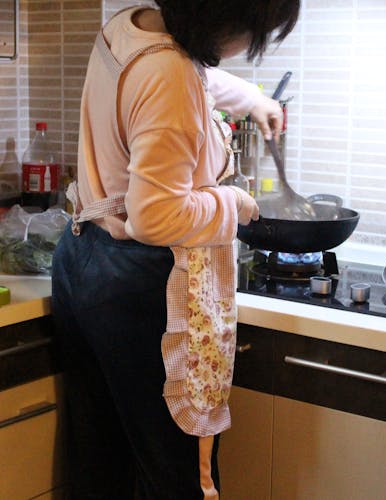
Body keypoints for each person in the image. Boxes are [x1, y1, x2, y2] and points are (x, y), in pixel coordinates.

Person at [51, 1, 300, 498]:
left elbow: (185, 80)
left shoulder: (132, 24)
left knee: (103, 463)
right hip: (142, 287)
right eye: (251, 34)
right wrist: (236, 203)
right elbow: (156, 218)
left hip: (84, 260)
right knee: (176, 476)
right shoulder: (173, 73)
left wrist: (251, 98)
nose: (245, 49)